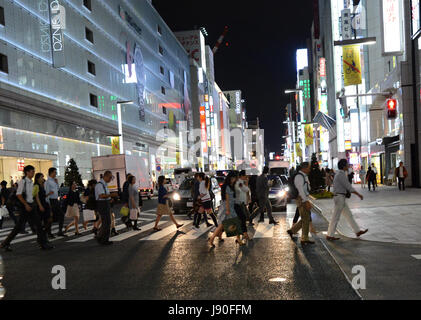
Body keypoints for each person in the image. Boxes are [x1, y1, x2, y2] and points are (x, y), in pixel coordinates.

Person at [0, 166, 53, 251]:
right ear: (27, 172)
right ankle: (4, 243)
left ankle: (43, 244)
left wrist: (36, 204)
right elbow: (19, 194)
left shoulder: (31, 182)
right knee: (18, 227)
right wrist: (26, 204)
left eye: (34, 171)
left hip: (31, 206)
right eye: (32, 171)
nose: (33, 173)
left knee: (38, 225)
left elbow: (33, 195)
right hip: (25, 207)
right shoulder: (23, 182)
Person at [326, 159, 368, 241]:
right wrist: (358, 194)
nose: (348, 166)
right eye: (347, 164)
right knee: (335, 217)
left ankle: (357, 231)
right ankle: (330, 235)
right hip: (339, 198)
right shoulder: (340, 174)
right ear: (343, 166)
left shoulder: (339, 173)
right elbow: (348, 186)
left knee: (349, 215)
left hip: (340, 197)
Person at [208, 172, 243, 247]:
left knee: (233, 223)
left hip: (230, 207)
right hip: (227, 208)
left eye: (235, 178)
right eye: (233, 178)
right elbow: (226, 199)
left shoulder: (231, 186)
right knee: (222, 225)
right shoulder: (226, 186)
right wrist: (227, 210)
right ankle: (212, 238)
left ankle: (238, 239)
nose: (234, 180)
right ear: (230, 178)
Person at [287, 162, 314, 245]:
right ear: (304, 168)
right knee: (305, 218)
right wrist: (305, 201)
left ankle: (292, 230)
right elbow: (300, 190)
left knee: (305, 217)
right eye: (309, 168)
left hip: (303, 198)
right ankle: (304, 238)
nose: (310, 169)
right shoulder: (299, 176)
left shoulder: (303, 176)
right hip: (301, 198)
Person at [95, 171, 114, 245]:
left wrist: (109, 199)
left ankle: (101, 237)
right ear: (105, 176)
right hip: (102, 204)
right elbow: (101, 195)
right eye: (110, 177)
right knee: (106, 222)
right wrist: (111, 195)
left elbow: (105, 195)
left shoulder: (104, 184)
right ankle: (103, 239)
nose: (110, 179)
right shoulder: (99, 185)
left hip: (105, 203)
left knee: (106, 222)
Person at [45, 167, 64, 237]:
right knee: (51, 217)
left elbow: (57, 190)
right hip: (51, 200)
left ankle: (60, 231)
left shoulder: (54, 181)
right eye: (55, 172)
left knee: (61, 215)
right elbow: (46, 192)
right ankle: (48, 232)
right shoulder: (47, 182)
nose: (56, 174)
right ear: (51, 173)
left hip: (56, 200)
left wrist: (57, 183)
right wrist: (48, 203)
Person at [33, 173, 53, 238]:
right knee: (42, 221)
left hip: (44, 204)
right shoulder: (36, 186)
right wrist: (40, 205)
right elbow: (37, 197)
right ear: (38, 178)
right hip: (40, 205)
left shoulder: (42, 185)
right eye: (42, 177)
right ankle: (42, 235)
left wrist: (49, 194)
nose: (43, 178)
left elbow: (43, 196)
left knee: (48, 219)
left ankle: (44, 233)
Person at [235, 170, 251, 241]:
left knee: (242, 219)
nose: (246, 177)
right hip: (239, 203)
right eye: (245, 176)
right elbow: (246, 189)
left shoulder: (240, 182)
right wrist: (247, 183)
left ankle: (242, 236)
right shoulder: (240, 183)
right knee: (242, 219)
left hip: (241, 203)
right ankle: (243, 235)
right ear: (242, 176)